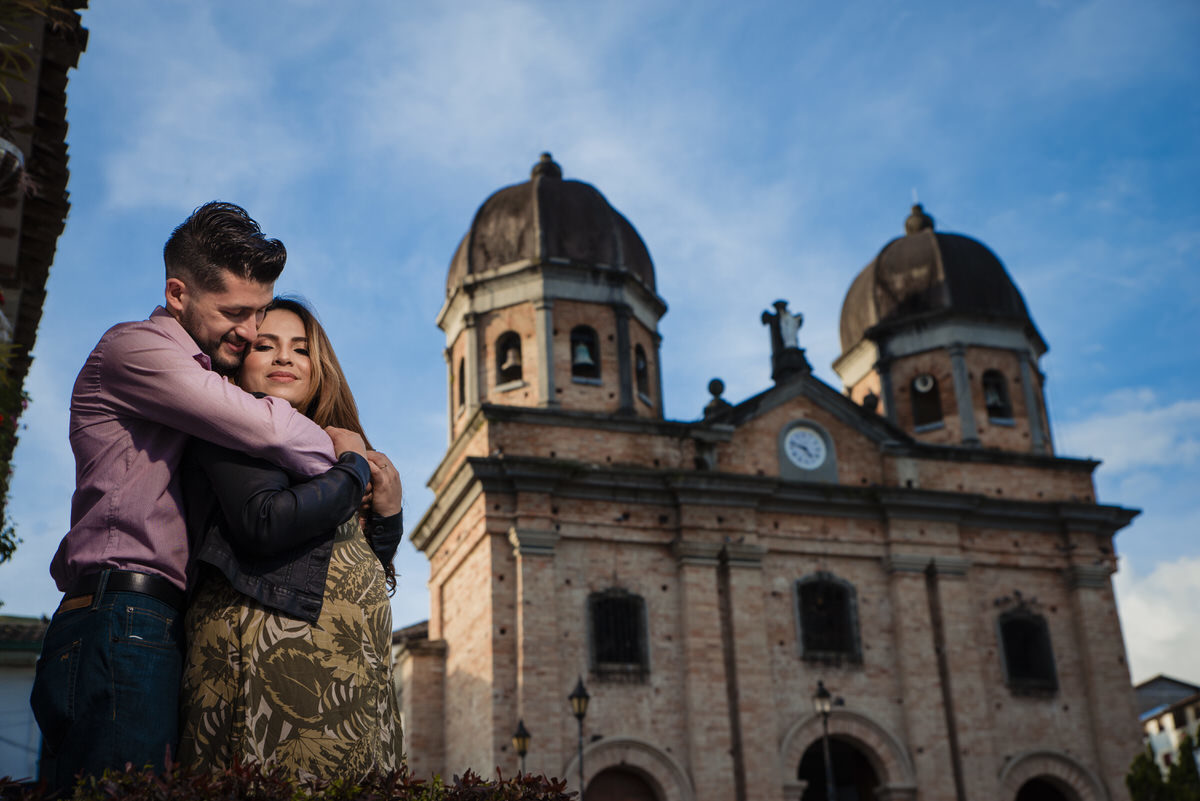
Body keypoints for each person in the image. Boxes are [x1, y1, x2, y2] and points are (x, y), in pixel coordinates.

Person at [29, 202, 356, 793]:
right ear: (177, 294)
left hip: (141, 621)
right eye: (236, 311)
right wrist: (354, 459)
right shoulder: (136, 351)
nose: (253, 331)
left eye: (260, 310)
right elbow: (270, 430)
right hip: (120, 616)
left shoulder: (200, 371)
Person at [178, 297, 404, 780]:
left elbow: (354, 566)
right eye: (267, 345)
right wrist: (353, 467)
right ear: (241, 360)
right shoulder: (233, 425)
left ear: (319, 368)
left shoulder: (328, 442)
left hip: (351, 671)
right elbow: (265, 523)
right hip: (270, 662)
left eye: (301, 349)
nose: (285, 357)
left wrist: (389, 516)